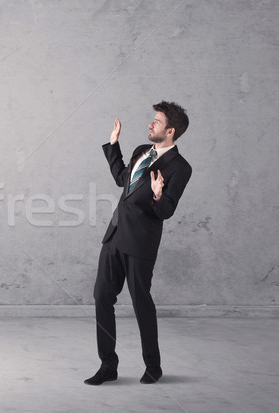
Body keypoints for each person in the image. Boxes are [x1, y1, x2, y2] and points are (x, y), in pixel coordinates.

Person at [84, 101, 192, 385]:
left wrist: (158, 194)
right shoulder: (140, 152)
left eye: (156, 121)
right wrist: (113, 145)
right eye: (152, 119)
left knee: (141, 303)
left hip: (141, 243)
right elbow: (123, 180)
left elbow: (166, 210)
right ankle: (108, 366)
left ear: (170, 131)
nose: (150, 124)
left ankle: (153, 367)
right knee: (101, 297)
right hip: (115, 236)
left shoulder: (180, 167)